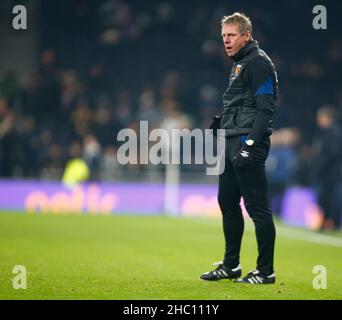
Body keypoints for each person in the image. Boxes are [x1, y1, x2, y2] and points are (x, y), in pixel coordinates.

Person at [201, 12, 278, 284]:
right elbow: (244, 104)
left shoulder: (258, 64)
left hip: (247, 143)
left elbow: (266, 109)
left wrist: (249, 145)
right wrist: (223, 122)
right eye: (224, 36)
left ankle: (265, 271)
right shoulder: (240, 64)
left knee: (258, 208)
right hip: (233, 138)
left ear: (247, 35)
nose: (226, 40)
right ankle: (231, 265)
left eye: (232, 35)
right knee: (227, 202)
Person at [311, 105, 342, 230]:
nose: (319, 120)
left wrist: (319, 165)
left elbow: (333, 154)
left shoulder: (335, 134)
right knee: (323, 198)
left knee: (329, 198)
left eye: (321, 117)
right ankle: (325, 222)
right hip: (325, 172)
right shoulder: (323, 133)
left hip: (331, 173)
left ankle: (332, 223)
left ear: (328, 118)